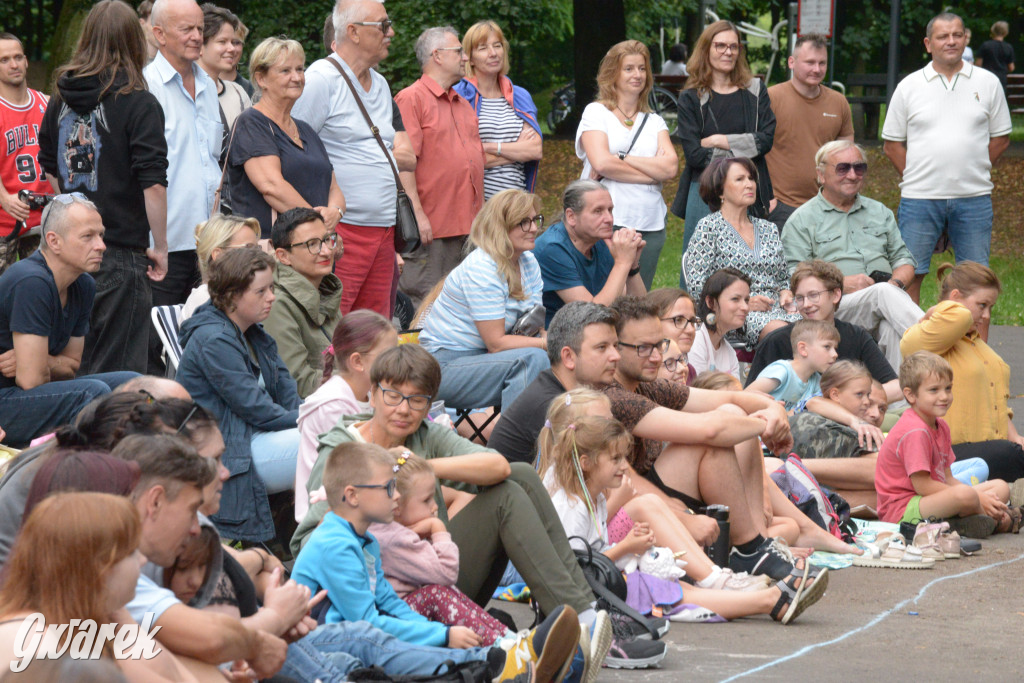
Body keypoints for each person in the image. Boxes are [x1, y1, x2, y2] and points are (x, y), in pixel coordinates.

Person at [293, 344, 614, 637]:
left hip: (433, 569)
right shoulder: (343, 449)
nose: (404, 409)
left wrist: (424, 466)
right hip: (390, 593)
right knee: (506, 498)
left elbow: (499, 467)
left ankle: (583, 611)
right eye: (393, 395)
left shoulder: (424, 434)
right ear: (372, 394)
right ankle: (576, 619)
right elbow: (309, 542)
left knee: (521, 475)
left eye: (417, 399)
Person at [292, 441, 582, 681]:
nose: (396, 497)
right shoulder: (335, 546)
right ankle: (500, 662)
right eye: (388, 488)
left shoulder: (364, 540)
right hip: (320, 642)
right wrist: (441, 635)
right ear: (352, 496)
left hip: (358, 632)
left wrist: (437, 633)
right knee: (375, 638)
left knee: (396, 637)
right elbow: (366, 621)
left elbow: (390, 603)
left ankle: (504, 661)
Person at [603, 295, 857, 567]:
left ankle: (760, 543)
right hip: (638, 511)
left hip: (663, 498)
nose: (656, 356)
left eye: (659, 345)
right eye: (644, 348)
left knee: (786, 523)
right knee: (727, 426)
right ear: (616, 350)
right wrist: (764, 425)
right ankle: (753, 547)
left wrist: (775, 412)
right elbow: (712, 429)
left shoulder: (648, 385)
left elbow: (739, 399)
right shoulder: (614, 397)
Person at [540, 391, 824, 631]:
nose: (613, 425)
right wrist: (626, 546)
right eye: (604, 422)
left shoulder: (589, 481)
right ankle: (759, 595)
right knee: (667, 591)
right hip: (594, 588)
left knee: (672, 587)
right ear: (583, 452)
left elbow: (592, 543)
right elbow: (576, 566)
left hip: (605, 574)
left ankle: (767, 597)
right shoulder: (570, 495)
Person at [37, 2, 168, 376]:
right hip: (121, 249)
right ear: (133, 40)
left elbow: (49, 165)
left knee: (74, 367)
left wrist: (72, 211)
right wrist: (159, 246)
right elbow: (153, 182)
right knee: (117, 377)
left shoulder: (59, 97)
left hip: (64, 250)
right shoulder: (139, 102)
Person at [293, 0, 415, 318]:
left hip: (384, 229)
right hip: (343, 232)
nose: (391, 32)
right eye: (383, 25)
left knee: (373, 328)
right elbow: (293, 149)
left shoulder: (381, 83)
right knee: (333, 325)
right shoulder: (320, 79)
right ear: (353, 32)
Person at [0, 493, 203, 681]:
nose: (142, 560)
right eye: (132, 551)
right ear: (101, 566)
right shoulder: (36, 645)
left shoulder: (70, 624)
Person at [882, 11, 1011, 303]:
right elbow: (891, 145)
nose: (951, 41)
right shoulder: (910, 86)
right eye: (943, 36)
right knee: (909, 276)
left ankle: (972, 349)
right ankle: (915, 347)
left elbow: (1001, 139)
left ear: (965, 39)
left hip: (974, 197)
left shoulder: (988, 82)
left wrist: (972, 168)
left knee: (976, 280)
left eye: (957, 35)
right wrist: (919, 175)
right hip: (920, 198)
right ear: (929, 44)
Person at [177, 248, 300, 541]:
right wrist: (309, 419)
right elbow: (255, 407)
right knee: (325, 441)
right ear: (232, 296)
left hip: (252, 436)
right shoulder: (213, 339)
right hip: (230, 451)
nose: (271, 297)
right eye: (261, 291)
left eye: (272, 288)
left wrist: (309, 413)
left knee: (337, 430)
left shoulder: (252, 331)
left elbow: (286, 388)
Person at [0, 195, 139, 447]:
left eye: (101, 235)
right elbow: (30, 380)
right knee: (93, 393)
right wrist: (42, 366)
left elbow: (71, 367)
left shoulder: (83, 284)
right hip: (5, 400)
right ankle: (87, 475)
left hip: (28, 394)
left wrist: (43, 361)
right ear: (54, 241)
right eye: (88, 237)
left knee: (135, 384)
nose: (101, 245)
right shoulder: (31, 281)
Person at [783, 140, 923, 372]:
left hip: (882, 299)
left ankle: (897, 403)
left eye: (859, 168)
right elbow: (794, 276)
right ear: (821, 175)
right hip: (833, 306)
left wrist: (895, 283)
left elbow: (904, 260)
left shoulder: (880, 212)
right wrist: (841, 285)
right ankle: (939, 339)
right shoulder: (802, 220)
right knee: (883, 293)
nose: (852, 174)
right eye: (842, 168)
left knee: (891, 326)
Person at [143, 0, 222, 373]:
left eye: (199, 28)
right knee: (156, 345)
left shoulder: (209, 84)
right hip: (167, 244)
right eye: (186, 29)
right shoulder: (146, 87)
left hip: (211, 241)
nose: (196, 36)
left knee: (208, 341)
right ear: (159, 34)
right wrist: (155, 242)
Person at [419, 189, 549, 412]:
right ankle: (514, 444)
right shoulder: (482, 267)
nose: (534, 229)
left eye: (535, 219)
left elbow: (533, 327)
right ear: (501, 226)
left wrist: (557, 344)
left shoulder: (528, 262)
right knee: (532, 360)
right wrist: (549, 344)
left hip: (486, 360)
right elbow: (496, 343)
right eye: (524, 222)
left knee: (567, 359)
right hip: (442, 367)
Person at [370, 452, 517, 647]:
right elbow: (447, 572)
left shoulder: (386, 529)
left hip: (396, 614)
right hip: (395, 621)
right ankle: (500, 645)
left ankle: (506, 639)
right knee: (435, 593)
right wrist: (438, 529)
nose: (434, 507)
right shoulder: (396, 537)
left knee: (441, 590)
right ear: (396, 505)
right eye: (426, 500)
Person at [901, 262, 1024, 483]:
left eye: (991, 308)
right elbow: (957, 318)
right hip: (947, 454)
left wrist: (1016, 438)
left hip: (995, 450)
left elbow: (998, 404)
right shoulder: (928, 339)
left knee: (1011, 452)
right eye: (982, 305)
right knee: (1010, 454)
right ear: (956, 298)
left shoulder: (981, 348)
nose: (986, 316)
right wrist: (941, 308)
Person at [671, 19, 775, 279]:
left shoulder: (755, 90)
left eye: (733, 47)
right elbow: (695, 155)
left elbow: (765, 140)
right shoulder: (690, 97)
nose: (728, 52)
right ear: (706, 49)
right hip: (705, 190)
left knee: (749, 268)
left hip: (749, 189)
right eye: (720, 46)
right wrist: (744, 146)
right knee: (699, 270)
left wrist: (719, 140)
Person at [875, 351, 1013, 535]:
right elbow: (922, 486)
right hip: (903, 509)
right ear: (910, 395)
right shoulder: (915, 430)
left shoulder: (941, 426)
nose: (944, 396)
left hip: (931, 499)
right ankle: (1000, 520)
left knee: (1000, 487)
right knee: (967, 495)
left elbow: (947, 478)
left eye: (948, 388)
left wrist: (977, 498)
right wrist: (977, 498)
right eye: (934, 390)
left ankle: (963, 521)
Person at [576, 40, 678, 289]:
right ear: (613, 73)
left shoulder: (654, 121)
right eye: (629, 68)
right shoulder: (596, 112)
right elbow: (601, 162)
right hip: (606, 220)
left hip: (650, 223)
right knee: (604, 297)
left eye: (642, 69)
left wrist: (621, 157)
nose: (638, 75)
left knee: (638, 303)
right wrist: (651, 173)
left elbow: (670, 168)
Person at [395, 26, 485, 307]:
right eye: (458, 50)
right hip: (433, 230)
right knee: (427, 306)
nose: (465, 56)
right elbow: (404, 163)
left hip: (469, 229)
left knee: (464, 308)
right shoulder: (411, 98)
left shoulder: (462, 103)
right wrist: (417, 213)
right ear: (437, 55)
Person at [228, 37, 344, 239]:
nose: (297, 77)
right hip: (275, 252)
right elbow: (272, 187)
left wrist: (335, 212)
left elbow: (333, 186)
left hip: (313, 247)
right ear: (261, 79)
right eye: (285, 71)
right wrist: (317, 225)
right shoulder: (252, 123)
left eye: (300, 69)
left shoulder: (306, 129)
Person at [487, 302, 623, 466]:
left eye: (615, 346)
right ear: (568, 357)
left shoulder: (569, 395)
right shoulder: (553, 407)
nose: (616, 356)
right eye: (602, 347)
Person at [747, 260, 901, 403]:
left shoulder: (855, 336)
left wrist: (851, 400)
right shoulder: (778, 341)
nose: (806, 304)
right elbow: (748, 396)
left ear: (835, 295)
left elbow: (895, 386)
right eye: (800, 298)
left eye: (814, 295)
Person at [683, 158, 798, 345]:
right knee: (786, 336)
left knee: (821, 331)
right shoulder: (709, 227)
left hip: (781, 310)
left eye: (751, 178)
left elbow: (783, 277)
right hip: (736, 317)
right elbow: (698, 288)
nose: (749, 184)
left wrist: (786, 291)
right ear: (720, 190)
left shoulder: (768, 228)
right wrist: (742, 302)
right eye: (740, 179)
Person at [297, 309, 397, 520]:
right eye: (388, 356)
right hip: (327, 512)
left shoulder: (367, 393)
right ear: (358, 362)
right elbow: (358, 467)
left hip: (358, 498)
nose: (395, 363)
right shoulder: (333, 405)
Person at [764, 33, 853, 228]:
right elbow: (751, 152)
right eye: (810, 62)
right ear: (791, 62)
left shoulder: (838, 103)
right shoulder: (770, 99)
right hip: (780, 207)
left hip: (827, 206)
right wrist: (766, 199)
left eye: (822, 63)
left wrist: (844, 198)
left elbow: (848, 157)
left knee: (825, 260)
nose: (816, 69)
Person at [533, 180, 645, 326]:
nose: (609, 219)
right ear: (571, 216)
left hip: (594, 332)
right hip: (561, 337)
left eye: (610, 210)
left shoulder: (599, 240)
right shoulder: (552, 249)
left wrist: (632, 266)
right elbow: (592, 316)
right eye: (598, 211)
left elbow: (640, 309)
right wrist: (622, 262)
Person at [454, 20, 542, 200]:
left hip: (517, 203)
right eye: (483, 48)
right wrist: (517, 153)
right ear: (469, 57)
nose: (493, 53)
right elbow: (461, 159)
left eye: (497, 45)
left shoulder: (519, 96)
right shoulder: (459, 96)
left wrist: (487, 147)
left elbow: (535, 150)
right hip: (477, 207)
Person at [263, 207, 343, 398]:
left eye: (326, 240)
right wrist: (364, 376)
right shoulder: (276, 304)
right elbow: (298, 383)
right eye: (312, 244)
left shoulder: (325, 290)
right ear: (283, 256)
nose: (326, 251)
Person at [0, 32, 51, 243]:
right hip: (5, 222)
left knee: (48, 277)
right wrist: (4, 198)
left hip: (48, 219)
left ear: (26, 61)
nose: (14, 65)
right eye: (4, 60)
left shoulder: (48, 104)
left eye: (18, 57)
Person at [746, 319, 838, 412]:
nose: (835, 354)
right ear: (803, 349)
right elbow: (745, 397)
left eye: (835, 348)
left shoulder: (816, 381)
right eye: (827, 347)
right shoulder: (782, 371)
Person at [181, 213, 260, 319]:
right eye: (248, 248)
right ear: (218, 255)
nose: (258, 256)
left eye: (257, 249)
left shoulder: (231, 296)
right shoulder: (205, 300)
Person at [688, 268, 749, 378]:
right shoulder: (695, 341)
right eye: (735, 299)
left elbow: (736, 394)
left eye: (746, 300)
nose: (745, 307)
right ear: (711, 302)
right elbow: (697, 391)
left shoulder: (729, 353)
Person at [198, 4, 250, 132]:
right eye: (222, 41)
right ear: (200, 45)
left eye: (233, 42)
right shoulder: (185, 92)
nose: (232, 49)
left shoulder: (238, 92)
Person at [646, 288, 699, 385]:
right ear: (653, 323)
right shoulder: (643, 374)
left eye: (692, 321)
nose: (690, 329)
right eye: (678, 320)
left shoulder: (689, 371)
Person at [976, 20, 1016, 95]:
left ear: (993, 31)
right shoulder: (1008, 47)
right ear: (1006, 33)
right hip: (1001, 80)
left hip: (986, 78)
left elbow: (978, 64)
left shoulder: (986, 45)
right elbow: (1011, 68)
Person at [221, 19, 254, 98]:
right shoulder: (194, 86)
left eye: (236, 42)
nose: (231, 48)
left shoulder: (251, 91)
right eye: (223, 42)